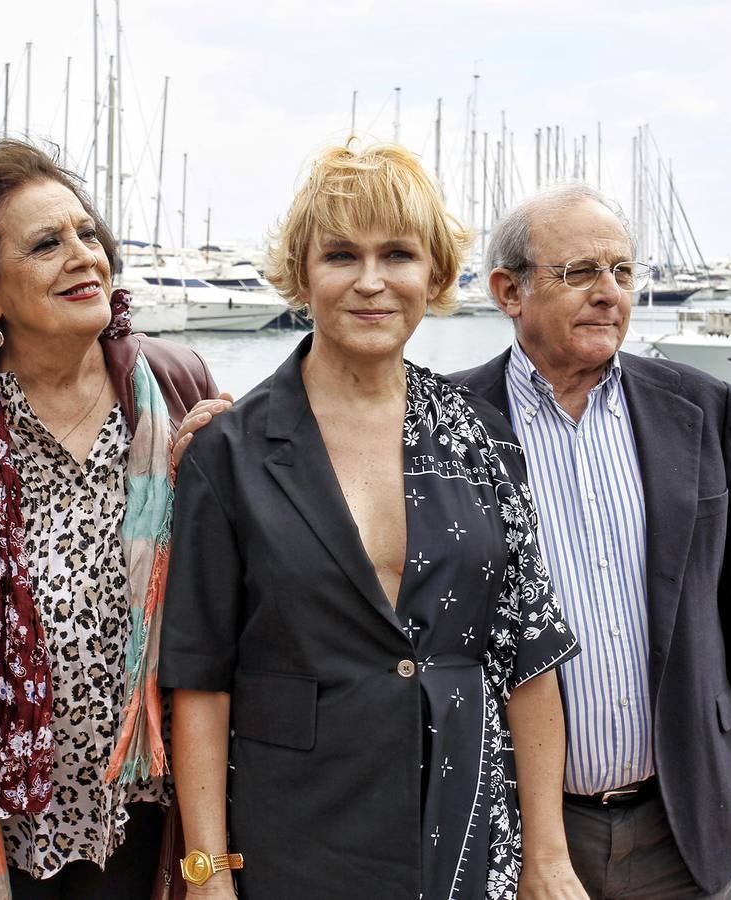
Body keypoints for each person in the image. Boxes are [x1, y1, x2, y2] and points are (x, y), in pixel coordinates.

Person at [159, 143, 588, 900]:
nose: (370, 282)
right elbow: (200, 681)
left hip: (462, 829)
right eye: (340, 255)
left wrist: (547, 858)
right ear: (302, 274)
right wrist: (206, 874)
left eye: (397, 254)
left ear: (435, 275)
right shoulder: (228, 452)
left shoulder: (481, 441)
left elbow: (529, 653)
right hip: (293, 837)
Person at [0, 138, 227, 898]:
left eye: (87, 236)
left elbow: (228, 580)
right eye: (47, 244)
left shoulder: (173, 387)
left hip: (142, 802)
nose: (84, 257)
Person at [451, 184, 731, 899]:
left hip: (681, 815)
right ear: (509, 291)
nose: (609, 293)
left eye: (624, 273)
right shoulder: (445, 424)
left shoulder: (701, 407)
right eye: (580, 273)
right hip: (511, 827)